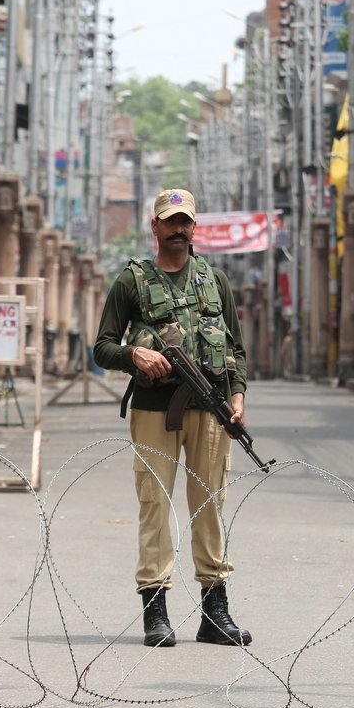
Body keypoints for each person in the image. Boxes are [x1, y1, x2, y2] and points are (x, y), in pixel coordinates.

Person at [94, 188, 252, 648]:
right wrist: (134, 354)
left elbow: (236, 350)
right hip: (152, 409)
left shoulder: (215, 280)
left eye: (186, 222)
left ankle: (214, 613)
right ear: (155, 227)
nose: (179, 230)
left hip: (212, 409)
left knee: (210, 507)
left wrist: (237, 397)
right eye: (171, 222)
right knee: (155, 506)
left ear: (194, 228)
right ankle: (155, 611)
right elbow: (102, 346)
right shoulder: (132, 281)